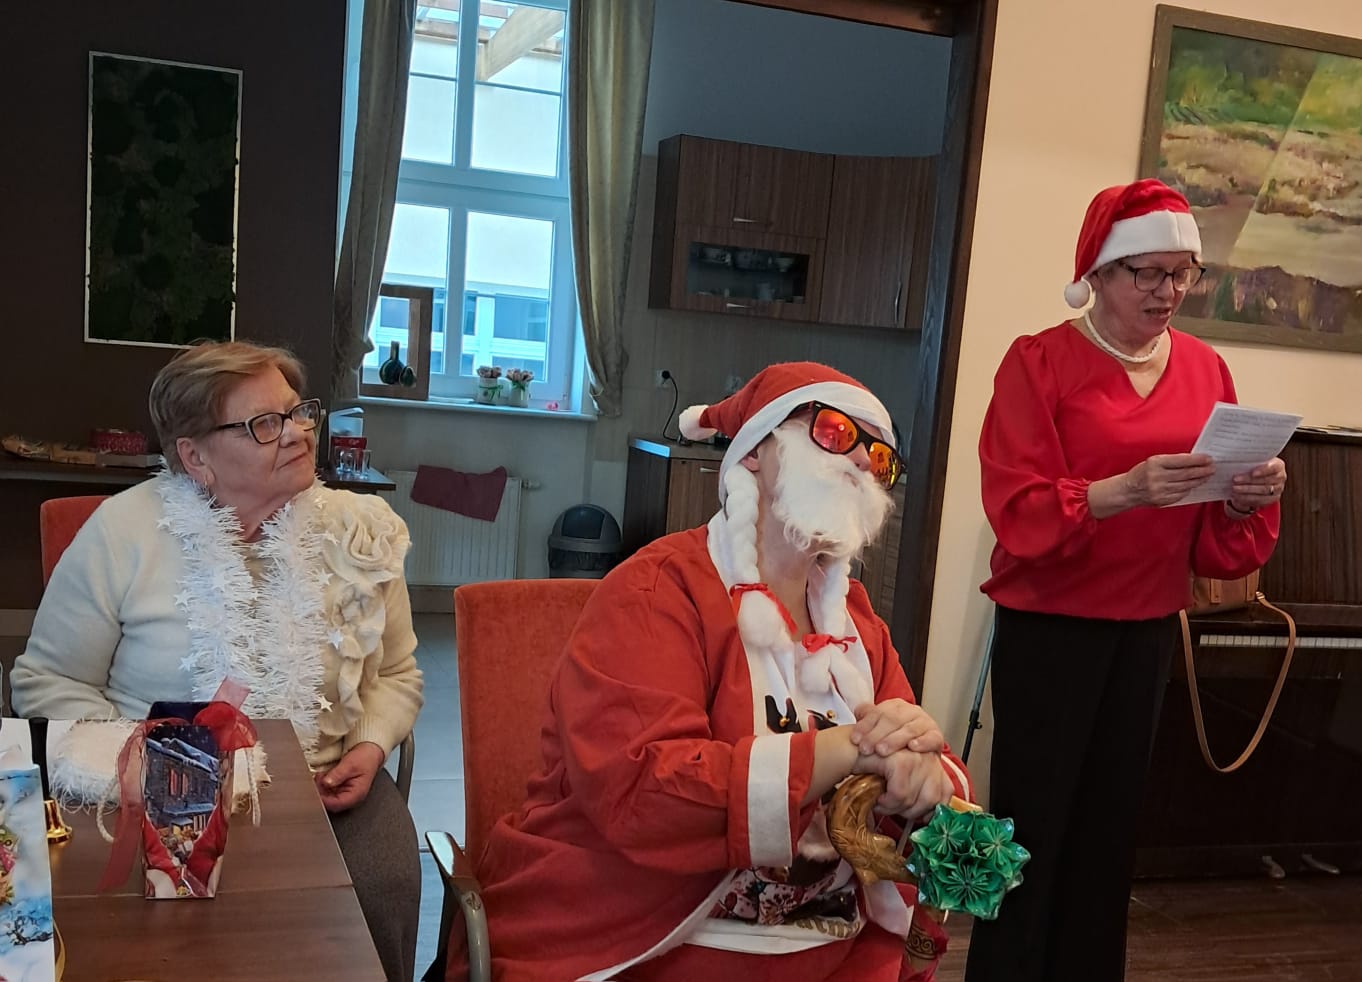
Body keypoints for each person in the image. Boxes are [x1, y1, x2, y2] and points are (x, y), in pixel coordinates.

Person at [467, 362, 974, 982]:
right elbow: (645, 792)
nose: (863, 462)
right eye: (837, 432)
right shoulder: (657, 592)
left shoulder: (857, 623)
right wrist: (847, 748)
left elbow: (935, 770)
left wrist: (922, 780)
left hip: (834, 945)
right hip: (657, 937)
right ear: (754, 452)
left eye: (881, 457)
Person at [12, 341, 424, 981]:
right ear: (195, 456)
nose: (298, 433)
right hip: (158, 804)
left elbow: (397, 674)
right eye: (264, 424)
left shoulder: (359, 533)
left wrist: (370, 746)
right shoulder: (121, 532)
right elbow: (46, 681)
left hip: (328, 791)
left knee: (385, 883)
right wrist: (140, 764)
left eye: (299, 411)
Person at [967, 179, 1286, 982]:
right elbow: (1017, 507)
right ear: (1101, 273)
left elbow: (1218, 546)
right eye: (1147, 273)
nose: (1167, 291)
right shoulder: (1039, 361)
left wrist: (1245, 496)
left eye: (1182, 274)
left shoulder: (1207, 368)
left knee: (1110, 834)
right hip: (1051, 628)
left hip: (1146, 628)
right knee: (1030, 828)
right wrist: (1124, 491)